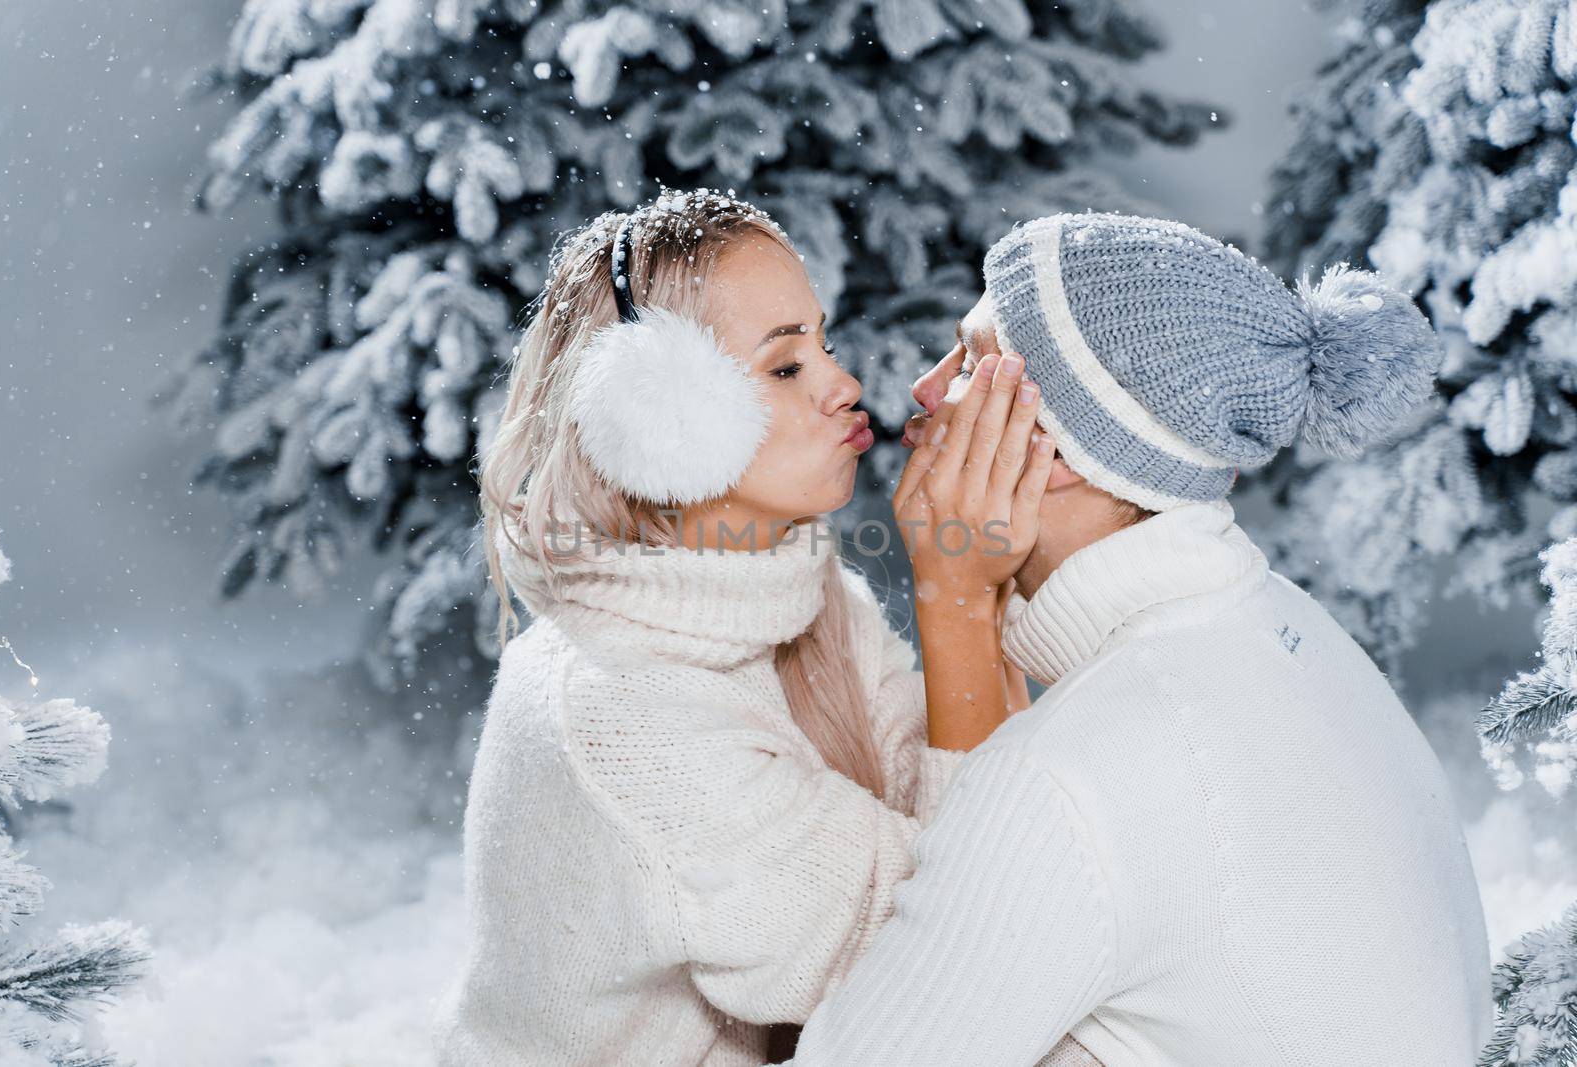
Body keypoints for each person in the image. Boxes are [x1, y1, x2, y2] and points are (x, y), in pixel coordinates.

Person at [781, 212, 1494, 1066]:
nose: (926, 389)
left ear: (1056, 452)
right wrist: (967, 596)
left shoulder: (1080, 772)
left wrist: (954, 593)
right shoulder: (1282, 627)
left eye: (971, 361)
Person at [428, 188, 1063, 1066]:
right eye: (785, 366)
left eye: (823, 343)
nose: (844, 385)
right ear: (659, 417)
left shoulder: (806, 598)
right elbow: (958, 964)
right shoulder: (626, 714)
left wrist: (990, 594)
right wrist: (958, 599)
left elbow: (981, 837)